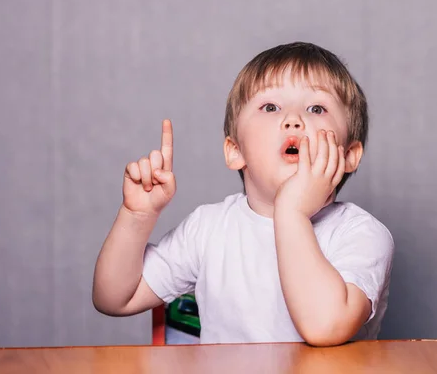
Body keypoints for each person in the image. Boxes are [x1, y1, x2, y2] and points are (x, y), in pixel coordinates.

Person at [92, 42, 394, 346]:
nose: (293, 119)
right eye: (271, 107)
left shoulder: (361, 234)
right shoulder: (209, 228)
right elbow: (116, 298)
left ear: (350, 155)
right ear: (235, 151)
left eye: (316, 108)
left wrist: (291, 211)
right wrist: (136, 216)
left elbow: (325, 326)